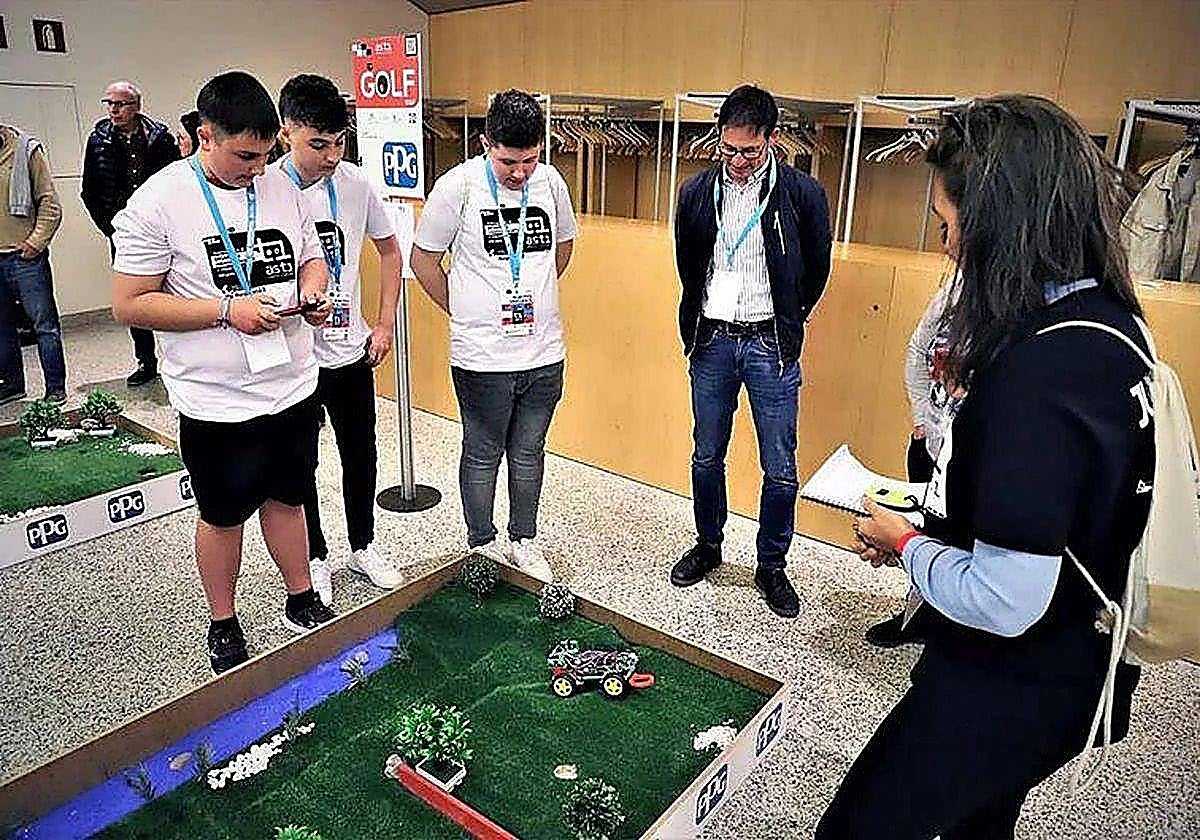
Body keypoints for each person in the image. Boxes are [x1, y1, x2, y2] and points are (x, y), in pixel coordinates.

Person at [818, 95, 1154, 839]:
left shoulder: (1038, 373)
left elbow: (1006, 598)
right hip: (1074, 661)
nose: (944, 249)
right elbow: (1051, 515)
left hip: (1013, 678)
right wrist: (926, 529)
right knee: (979, 817)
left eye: (947, 226)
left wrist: (909, 546)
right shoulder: (1112, 324)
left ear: (1001, 224)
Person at [110, 71, 335, 674]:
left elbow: (313, 255)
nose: (258, 169)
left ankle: (300, 593)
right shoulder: (158, 201)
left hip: (290, 383)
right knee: (223, 513)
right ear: (203, 135)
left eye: (267, 156)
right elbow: (130, 302)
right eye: (244, 156)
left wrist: (314, 289)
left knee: (290, 498)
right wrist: (224, 311)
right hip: (216, 401)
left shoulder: (280, 186)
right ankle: (224, 620)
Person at [669, 84, 832, 619]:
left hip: (771, 345)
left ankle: (771, 566)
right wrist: (699, 324)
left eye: (750, 150)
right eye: (729, 147)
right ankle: (709, 546)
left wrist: (787, 320)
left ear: (772, 139)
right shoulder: (695, 193)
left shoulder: (802, 194)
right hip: (713, 339)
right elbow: (688, 266)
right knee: (705, 453)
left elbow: (816, 271)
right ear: (718, 136)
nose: (738, 160)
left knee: (780, 465)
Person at [411, 89, 577, 583]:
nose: (520, 172)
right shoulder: (457, 187)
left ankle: (524, 539)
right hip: (481, 359)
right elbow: (424, 261)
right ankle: (481, 545)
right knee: (483, 452)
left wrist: (533, 294)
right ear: (486, 144)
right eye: (508, 161)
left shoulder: (550, 183)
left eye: (529, 159)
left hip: (544, 353)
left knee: (529, 451)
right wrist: (465, 311)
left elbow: (561, 248)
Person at [277, 73, 405, 606]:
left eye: (340, 142)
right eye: (318, 144)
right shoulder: (267, 191)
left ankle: (363, 544)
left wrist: (383, 323)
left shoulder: (355, 184)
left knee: (362, 453)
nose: (332, 156)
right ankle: (315, 557)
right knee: (301, 463)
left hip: (351, 348)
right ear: (286, 133)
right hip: (294, 357)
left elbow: (391, 251)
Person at [863, 272, 956, 649]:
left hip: (968, 459)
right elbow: (920, 349)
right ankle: (917, 615)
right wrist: (922, 416)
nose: (949, 246)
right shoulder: (956, 287)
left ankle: (950, 630)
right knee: (926, 532)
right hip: (931, 443)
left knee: (959, 546)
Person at [82, 80, 182, 387]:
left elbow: (177, 183)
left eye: (120, 103)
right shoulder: (99, 140)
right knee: (136, 300)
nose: (114, 109)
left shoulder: (159, 138)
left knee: (173, 294)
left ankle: (178, 360)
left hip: (165, 230)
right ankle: (146, 361)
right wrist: (112, 228)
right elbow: (90, 191)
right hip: (125, 233)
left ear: (136, 105)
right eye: (109, 103)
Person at [0, 122, 65, 405]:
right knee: (1, 327)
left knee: (44, 325)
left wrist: (35, 243)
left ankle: (55, 387)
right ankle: (12, 385)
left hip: (24, 257)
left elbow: (50, 204)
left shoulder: (25, 150)